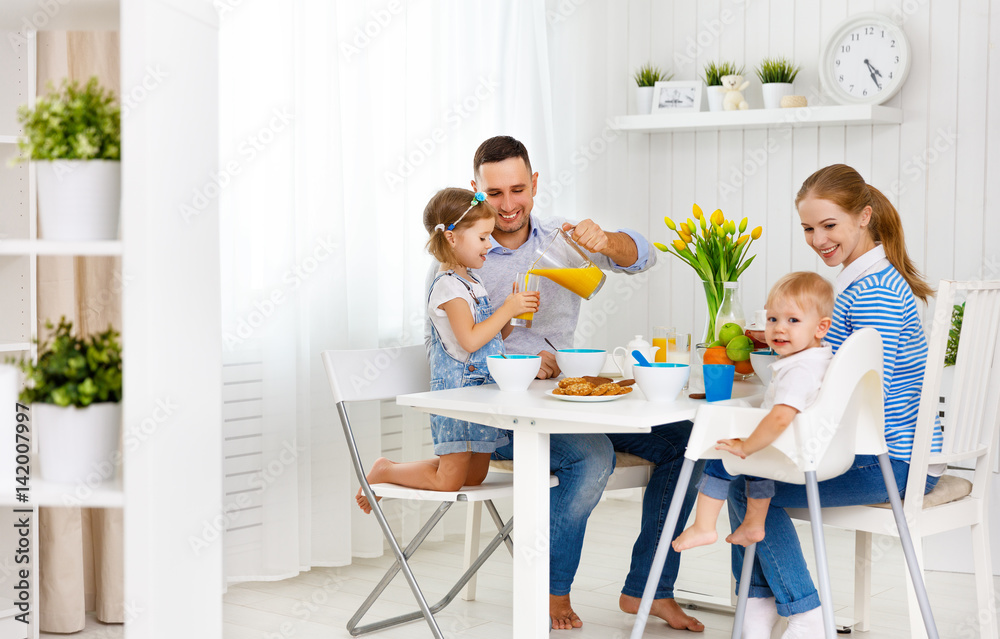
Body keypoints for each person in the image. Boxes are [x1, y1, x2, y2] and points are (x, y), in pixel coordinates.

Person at [465, 135, 705, 632]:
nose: (508, 206)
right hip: (504, 416)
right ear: (476, 191)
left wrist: (607, 242)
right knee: (593, 457)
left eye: (517, 189)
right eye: (494, 194)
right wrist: (524, 360)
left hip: (569, 401)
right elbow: (455, 348)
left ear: (534, 183)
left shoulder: (561, 238)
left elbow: (643, 256)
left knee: (688, 444)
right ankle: (551, 592)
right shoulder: (466, 252)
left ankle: (648, 589)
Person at [727, 164, 943, 639]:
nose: (818, 239)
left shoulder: (873, 291)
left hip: (890, 461)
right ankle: (761, 611)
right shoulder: (863, 282)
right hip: (879, 452)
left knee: (745, 484)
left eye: (829, 226)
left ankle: (800, 612)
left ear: (864, 217)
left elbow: (862, 392)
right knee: (750, 475)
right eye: (808, 228)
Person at [357, 187, 539, 513]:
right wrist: (505, 309)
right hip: (457, 395)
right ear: (453, 239)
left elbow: (489, 335)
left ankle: (404, 468)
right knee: (448, 481)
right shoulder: (447, 286)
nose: (490, 245)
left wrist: (514, 314)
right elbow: (469, 340)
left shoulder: (472, 281)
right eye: (483, 238)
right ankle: (386, 470)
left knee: (475, 475)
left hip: (481, 394)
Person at [672, 272, 834, 552]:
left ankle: (704, 527)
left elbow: (781, 417)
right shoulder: (816, 359)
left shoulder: (799, 371)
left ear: (821, 327)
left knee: (720, 455)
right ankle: (754, 525)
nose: (779, 329)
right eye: (773, 319)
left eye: (792, 320)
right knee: (758, 468)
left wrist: (746, 445)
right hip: (800, 450)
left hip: (789, 453)